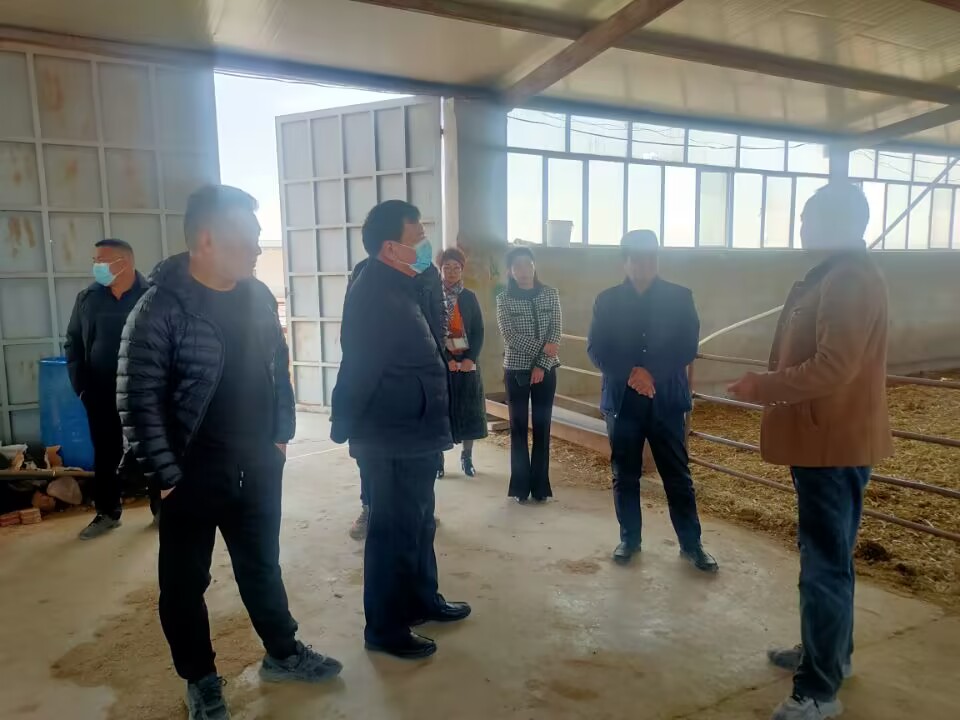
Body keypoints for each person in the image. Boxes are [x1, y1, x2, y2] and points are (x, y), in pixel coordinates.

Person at [117, 185, 341, 720]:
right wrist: (166, 474)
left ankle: (283, 652)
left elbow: (277, 367)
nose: (258, 248)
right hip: (190, 473)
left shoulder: (258, 296)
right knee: (184, 584)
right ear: (207, 240)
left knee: (262, 565)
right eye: (248, 237)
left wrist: (281, 434)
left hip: (258, 464)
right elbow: (137, 398)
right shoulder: (160, 308)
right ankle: (200, 679)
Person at [728, 183, 891, 720]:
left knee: (824, 564)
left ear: (837, 224)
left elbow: (833, 366)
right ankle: (829, 654)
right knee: (828, 558)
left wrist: (764, 386)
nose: (802, 227)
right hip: (826, 441)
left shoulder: (848, 280)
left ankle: (819, 690)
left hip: (832, 446)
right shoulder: (834, 275)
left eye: (808, 218)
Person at [331, 200, 470, 660]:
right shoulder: (373, 294)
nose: (427, 244)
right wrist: (345, 425)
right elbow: (359, 367)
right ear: (391, 248)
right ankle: (385, 627)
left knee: (420, 522)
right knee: (391, 531)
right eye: (419, 237)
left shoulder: (407, 284)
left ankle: (421, 600)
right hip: (389, 434)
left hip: (418, 430)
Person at [586, 230, 717, 572]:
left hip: (666, 402)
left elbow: (687, 346)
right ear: (625, 261)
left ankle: (692, 544)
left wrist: (651, 374)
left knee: (677, 475)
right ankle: (629, 539)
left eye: (651, 258)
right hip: (623, 403)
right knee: (624, 474)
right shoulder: (607, 300)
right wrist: (633, 373)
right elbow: (596, 349)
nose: (644, 264)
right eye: (637, 258)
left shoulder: (679, 297)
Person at [344, 251, 445, 539]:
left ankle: (423, 509)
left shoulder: (426, 272)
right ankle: (369, 507)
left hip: (422, 383)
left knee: (423, 455)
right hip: (379, 384)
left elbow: (437, 320)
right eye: (415, 234)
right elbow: (350, 331)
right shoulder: (365, 273)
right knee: (372, 456)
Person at [64, 238, 150, 540]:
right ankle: (107, 512)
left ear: (123, 263)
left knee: (151, 448)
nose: (96, 267)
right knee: (105, 453)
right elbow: (73, 342)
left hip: (145, 391)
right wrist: (81, 387)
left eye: (101, 261)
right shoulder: (88, 298)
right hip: (100, 391)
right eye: (95, 261)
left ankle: (162, 509)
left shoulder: (152, 295)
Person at [496, 246, 562, 503]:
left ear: (534, 266)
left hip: (546, 370)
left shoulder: (550, 294)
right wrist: (541, 349)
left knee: (543, 428)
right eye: (517, 266)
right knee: (518, 427)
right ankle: (520, 487)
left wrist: (541, 364)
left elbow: (555, 333)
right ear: (510, 272)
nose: (523, 270)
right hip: (516, 369)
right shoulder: (504, 299)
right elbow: (510, 336)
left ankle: (541, 487)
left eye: (527, 264)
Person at [437, 247, 487, 478]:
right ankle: (438, 460)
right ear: (440, 269)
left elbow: (478, 331)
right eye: (447, 267)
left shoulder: (469, 297)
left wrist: (470, 358)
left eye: (456, 267)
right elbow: (431, 330)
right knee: (441, 411)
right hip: (442, 362)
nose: (452, 271)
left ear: (462, 269)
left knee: (469, 409)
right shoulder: (433, 296)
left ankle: (467, 457)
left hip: (467, 362)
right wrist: (446, 358)